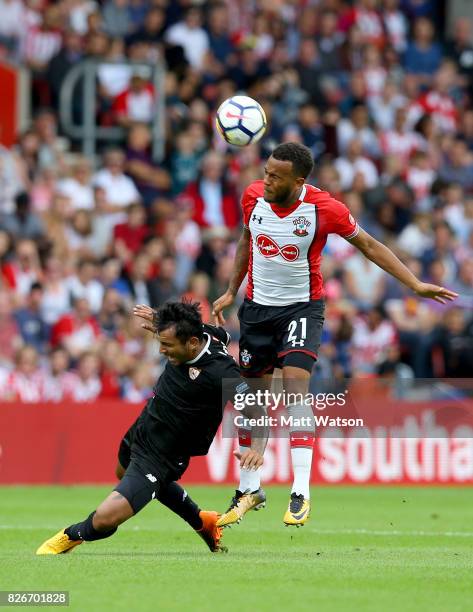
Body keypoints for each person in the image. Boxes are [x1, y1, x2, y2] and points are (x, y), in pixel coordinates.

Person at [212, 142, 458, 527]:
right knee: (251, 401)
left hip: (302, 309)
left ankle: (300, 491)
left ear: (299, 181)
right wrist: (231, 289)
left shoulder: (325, 208)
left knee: (295, 390)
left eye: (276, 176)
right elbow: (247, 242)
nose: (266, 180)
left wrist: (414, 283)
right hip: (257, 311)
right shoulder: (252, 197)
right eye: (266, 172)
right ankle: (249, 489)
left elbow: (369, 245)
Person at [36, 301, 268, 555]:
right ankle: (203, 522)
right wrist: (161, 319)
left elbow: (257, 412)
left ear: (191, 343)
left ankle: (69, 536)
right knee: (122, 471)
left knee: (104, 519)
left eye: (167, 345)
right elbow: (198, 328)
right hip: (144, 426)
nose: (161, 350)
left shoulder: (223, 373)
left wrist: (256, 449)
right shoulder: (205, 334)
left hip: (165, 455)